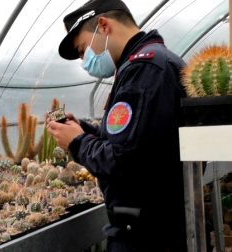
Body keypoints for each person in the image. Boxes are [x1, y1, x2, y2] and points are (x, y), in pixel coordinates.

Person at [47, 0, 187, 251]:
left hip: (145, 233)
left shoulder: (144, 70)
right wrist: (86, 129)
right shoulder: (151, 63)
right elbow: (138, 143)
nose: (84, 60)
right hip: (154, 224)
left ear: (103, 26)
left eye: (82, 50)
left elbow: (123, 161)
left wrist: (77, 142)